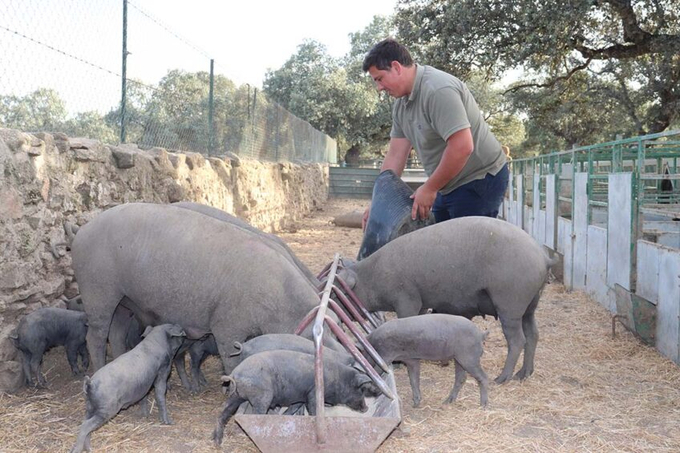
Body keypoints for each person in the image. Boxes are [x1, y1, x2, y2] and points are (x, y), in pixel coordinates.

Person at [361, 38, 509, 229]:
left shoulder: (438, 90)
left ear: (396, 67)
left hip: (479, 179)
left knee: (464, 251)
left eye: (380, 79)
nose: (379, 88)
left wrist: (430, 188)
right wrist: (378, 203)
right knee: (439, 248)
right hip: (447, 183)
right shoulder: (401, 104)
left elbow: (463, 146)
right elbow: (395, 155)